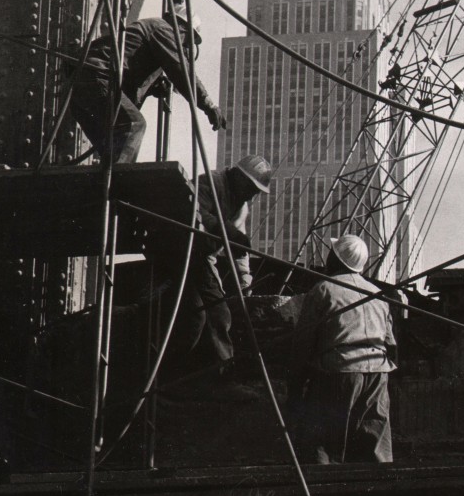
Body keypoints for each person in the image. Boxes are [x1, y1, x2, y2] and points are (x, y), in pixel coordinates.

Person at [158, 154, 273, 400]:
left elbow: (240, 250)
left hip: (201, 259)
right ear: (240, 178)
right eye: (252, 188)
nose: (252, 195)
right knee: (195, 316)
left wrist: (244, 282)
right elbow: (197, 213)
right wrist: (229, 233)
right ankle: (169, 375)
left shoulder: (241, 207)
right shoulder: (212, 182)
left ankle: (221, 376)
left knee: (219, 313)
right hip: (179, 251)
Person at [287, 234, 396, 463]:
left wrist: (295, 385)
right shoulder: (379, 296)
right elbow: (391, 343)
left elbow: (303, 342)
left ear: (335, 259)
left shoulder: (323, 290)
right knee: (373, 447)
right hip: (377, 374)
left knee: (324, 443)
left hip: (338, 373)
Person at [69, 6, 225, 163]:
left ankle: (107, 183)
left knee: (112, 147)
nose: (185, 46)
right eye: (187, 40)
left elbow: (129, 70)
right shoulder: (162, 29)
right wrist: (208, 105)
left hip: (84, 82)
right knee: (133, 124)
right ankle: (118, 184)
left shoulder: (151, 31)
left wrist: (153, 85)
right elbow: (181, 72)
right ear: (181, 26)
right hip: (96, 76)